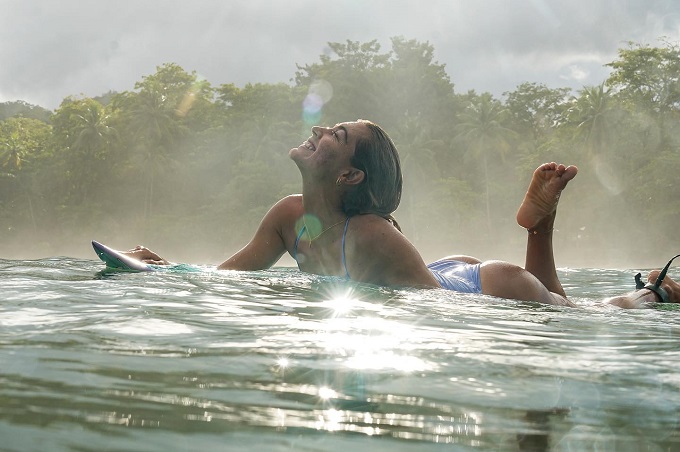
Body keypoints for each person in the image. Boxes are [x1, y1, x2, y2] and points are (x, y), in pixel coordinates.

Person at [125, 119, 679, 309]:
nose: (319, 129)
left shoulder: (370, 235)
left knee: (582, 313)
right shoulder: (286, 216)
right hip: (436, 270)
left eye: (336, 135)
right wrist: (166, 271)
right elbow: (228, 279)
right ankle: (548, 225)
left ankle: (649, 292)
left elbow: (439, 308)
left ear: (350, 176)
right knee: (562, 304)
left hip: (482, 284)